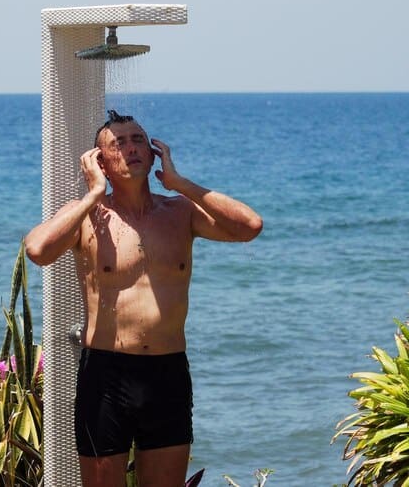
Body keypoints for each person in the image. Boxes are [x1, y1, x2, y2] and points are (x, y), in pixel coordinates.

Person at [24, 110, 263, 487]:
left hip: (167, 374)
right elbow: (37, 250)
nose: (130, 147)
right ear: (100, 161)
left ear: (154, 155)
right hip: (105, 375)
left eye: (138, 140)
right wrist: (92, 194)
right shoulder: (88, 215)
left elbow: (249, 226)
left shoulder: (180, 212)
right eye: (117, 143)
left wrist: (180, 183)